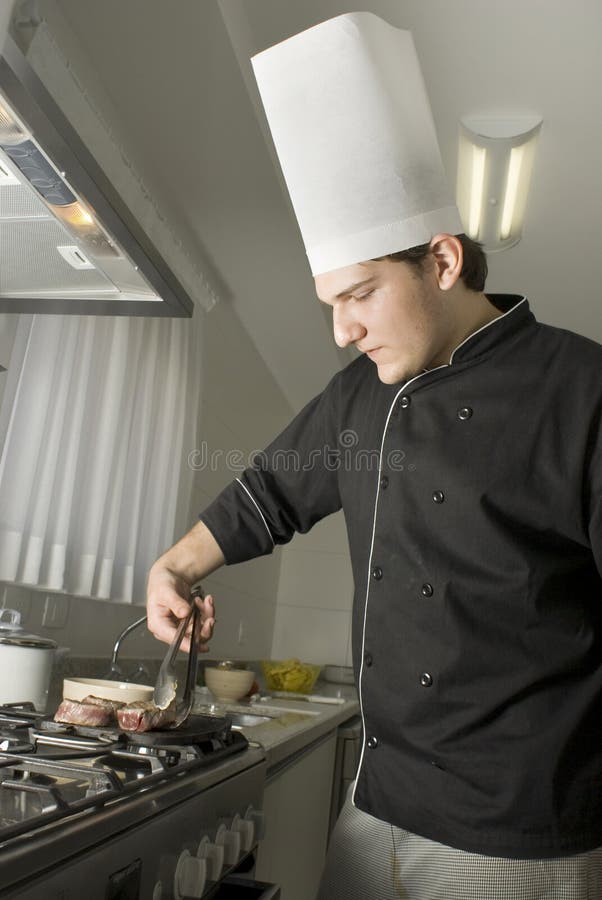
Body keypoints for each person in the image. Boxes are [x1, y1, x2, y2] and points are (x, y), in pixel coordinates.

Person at [147, 12, 602, 899]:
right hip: (376, 803)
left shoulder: (582, 390)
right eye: (328, 302)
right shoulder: (362, 392)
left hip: (517, 838)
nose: (341, 328)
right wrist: (176, 565)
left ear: (440, 260)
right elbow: (268, 492)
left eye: (359, 293)